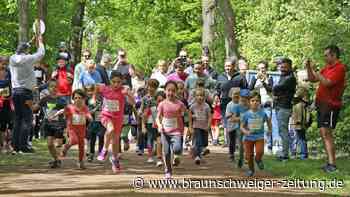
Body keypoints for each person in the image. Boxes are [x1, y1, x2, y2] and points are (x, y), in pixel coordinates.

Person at [306, 45, 346, 173]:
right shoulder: (327, 68)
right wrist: (309, 68)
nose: (324, 57)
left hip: (330, 105)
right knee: (324, 133)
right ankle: (329, 163)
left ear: (333, 55)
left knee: (327, 133)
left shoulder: (339, 68)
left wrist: (317, 73)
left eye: (326, 55)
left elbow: (327, 83)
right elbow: (313, 79)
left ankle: (332, 165)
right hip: (322, 104)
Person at [9, 36, 45, 153]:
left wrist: (31, 40)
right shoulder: (28, 58)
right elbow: (41, 53)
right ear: (26, 51)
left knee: (18, 119)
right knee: (27, 118)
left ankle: (15, 145)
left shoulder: (12, 58)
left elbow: (22, 50)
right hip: (26, 93)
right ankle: (24, 146)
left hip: (15, 92)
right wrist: (40, 42)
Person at [96, 71, 135, 173]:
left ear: (122, 81)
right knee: (110, 129)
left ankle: (114, 159)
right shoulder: (105, 88)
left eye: (118, 82)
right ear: (110, 81)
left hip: (118, 119)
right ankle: (104, 150)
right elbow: (94, 88)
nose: (116, 84)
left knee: (115, 141)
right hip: (106, 115)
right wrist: (94, 98)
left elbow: (133, 102)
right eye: (114, 82)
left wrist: (129, 94)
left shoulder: (123, 90)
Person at [33, 80, 67, 168]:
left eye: (55, 86)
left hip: (59, 124)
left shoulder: (61, 99)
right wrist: (29, 105)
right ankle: (57, 159)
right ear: (48, 88)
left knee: (58, 144)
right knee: (49, 144)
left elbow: (68, 110)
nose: (53, 88)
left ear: (58, 88)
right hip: (48, 124)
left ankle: (59, 157)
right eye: (51, 87)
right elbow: (35, 108)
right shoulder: (45, 99)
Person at [156, 81, 186, 179]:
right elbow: (158, 117)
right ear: (165, 91)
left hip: (177, 131)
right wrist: (159, 125)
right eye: (168, 90)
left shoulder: (180, 104)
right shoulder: (162, 104)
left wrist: (188, 126)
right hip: (165, 132)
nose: (170, 93)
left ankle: (176, 155)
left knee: (177, 149)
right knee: (167, 152)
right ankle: (168, 170)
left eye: (173, 91)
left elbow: (186, 115)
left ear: (176, 92)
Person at [217, 58, 248, 147]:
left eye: (229, 66)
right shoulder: (220, 76)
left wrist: (244, 101)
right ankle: (229, 142)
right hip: (224, 103)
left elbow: (246, 90)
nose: (227, 68)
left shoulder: (240, 77)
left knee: (237, 122)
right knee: (227, 122)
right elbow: (217, 89)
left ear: (234, 66)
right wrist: (216, 96)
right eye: (226, 66)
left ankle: (238, 142)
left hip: (237, 103)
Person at [241, 91, 272, 177]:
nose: (255, 102)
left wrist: (270, 129)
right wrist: (246, 131)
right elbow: (242, 126)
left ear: (260, 102)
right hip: (248, 138)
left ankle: (258, 160)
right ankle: (251, 170)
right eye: (253, 100)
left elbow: (268, 121)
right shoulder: (246, 114)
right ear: (249, 102)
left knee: (259, 151)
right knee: (249, 155)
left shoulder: (263, 113)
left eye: (257, 101)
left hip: (259, 137)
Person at [59, 89, 92, 169]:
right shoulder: (69, 107)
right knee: (74, 140)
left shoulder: (85, 108)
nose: (77, 100)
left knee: (81, 146)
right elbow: (65, 116)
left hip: (82, 129)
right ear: (73, 99)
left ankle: (80, 162)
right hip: (72, 129)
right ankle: (65, 148)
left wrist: (89, 117)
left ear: (84, 99)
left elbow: (88, 115)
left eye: (80, 98)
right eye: (76, 98)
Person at [272, 57, 296, 161]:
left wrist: (275, 90)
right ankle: (284, 152)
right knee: (281, 131)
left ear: (290, 67)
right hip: (279, 106)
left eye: (285, 66)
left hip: (284, 107)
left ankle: (285, 154)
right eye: (281, 66)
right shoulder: (283, 76)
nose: (282, 68)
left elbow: (276, 88)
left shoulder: (290, 78)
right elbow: (274, 90)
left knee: (283, 131)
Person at [249, 60, 274, 152]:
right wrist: (256, 78)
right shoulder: (254, 78)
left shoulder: (270, 78)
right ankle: (257, 147)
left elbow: (270, 89)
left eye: (263, 68)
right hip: (257, 106)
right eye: (259, 69)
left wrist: (263, 81)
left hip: (267, 105)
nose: (261, 70)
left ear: (266, 69)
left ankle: (269, 147)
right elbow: (249, 88)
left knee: (267, 127)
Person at [227, 89, 251, 167]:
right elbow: (233, 119)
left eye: (246, 98)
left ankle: (247, 158)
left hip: (249, 128)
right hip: (239, 129)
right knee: (241, 145)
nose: (244, 99)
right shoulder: (237, 107)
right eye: (242, 97)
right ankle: (241, 158)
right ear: (240, 97)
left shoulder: (251, 106)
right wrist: (241, 118)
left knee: (246, 143)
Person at [189, 88, 212, 165]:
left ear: (204, 97)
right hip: (196, 126)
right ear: (195, 97)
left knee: (205, 142)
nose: (200, 97)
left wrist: (208, 125)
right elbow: (189, 115)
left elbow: (209, 116)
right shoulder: (193, 106)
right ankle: (197, 156)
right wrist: (190, 125)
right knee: (198, 141)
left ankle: (199, 152)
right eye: (198, 95)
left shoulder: (207, 106)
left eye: (201, 95)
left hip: (204, 127)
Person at [289, 85, 311, 160]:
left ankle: (302, 155)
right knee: (300, 137)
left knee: (300, 137)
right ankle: (301, 154)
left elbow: (295, 97)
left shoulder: (301, 89)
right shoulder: (302, 89)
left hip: (299, 118)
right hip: (298, 117)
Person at [140, 79, 160, 163]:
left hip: (158, 121)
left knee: (158, 138)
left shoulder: (159, 97)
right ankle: (150, 156)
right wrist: (143, 125)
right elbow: (141, 110)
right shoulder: (145, 98)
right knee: (150, 138)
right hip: (148, 121)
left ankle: (159, 156)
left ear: (156, 88)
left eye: (153, 87)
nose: (150, 88)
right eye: (149, 86)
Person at [85, 84, 105, 162]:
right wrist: (95, 109)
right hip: (92, 122)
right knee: (92, 139)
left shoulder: (104, 100)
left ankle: (100, 154)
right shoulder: (90, 101)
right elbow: (88, 111)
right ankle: (91, 154)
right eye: (97, 91)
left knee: (101, 137)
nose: (98, 93)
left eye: (100, 92)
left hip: (102, 122)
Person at [0, 59, 13, 154]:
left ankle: (8, 144)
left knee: (10, 123)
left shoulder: (9, 72)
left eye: (6, 64)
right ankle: (3, 145)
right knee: (2, 125)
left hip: (8, 101)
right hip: (0, 101)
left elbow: (12, 84)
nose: (4, 65)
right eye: (2, 63)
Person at [225, 87, 240, 161]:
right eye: (235, 94)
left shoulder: (241, 104)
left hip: (240, 126)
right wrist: (231, 114)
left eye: (238, 94)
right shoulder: (229, 105)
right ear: (231, 95)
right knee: (232, 141)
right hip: (231, 126)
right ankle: (231, 154)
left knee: (241, 141)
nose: (237, 95)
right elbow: (227, 115)